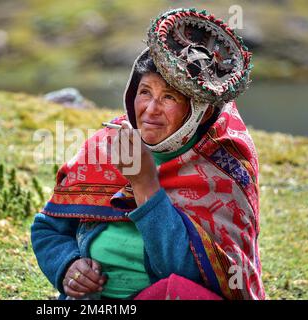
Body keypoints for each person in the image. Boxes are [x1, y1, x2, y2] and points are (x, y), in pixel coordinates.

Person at [31, 8, 265, 300]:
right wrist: (67, 267)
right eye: (145, 92)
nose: (151, 109)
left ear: (198, 112)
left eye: (169, 97)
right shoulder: (107, 147)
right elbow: (47, 228)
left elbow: (202, 277)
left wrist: (145, 188)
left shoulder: (222, 167)